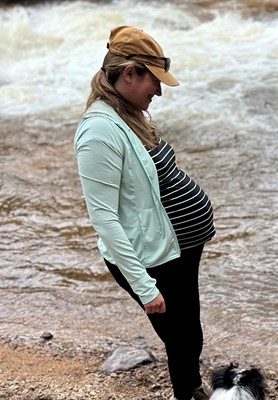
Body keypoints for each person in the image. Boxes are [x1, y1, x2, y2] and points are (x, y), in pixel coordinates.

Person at [74, 26, 216, 400]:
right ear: (130, 73)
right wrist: (144, 285)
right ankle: (190, 394)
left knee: (189, 336)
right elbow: (103, 217)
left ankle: (193, 390)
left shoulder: (131, 115)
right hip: (150, 258)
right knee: (181, 338)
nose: (160, 90)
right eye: (154, 80)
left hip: (175, 249)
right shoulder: (98, 132)